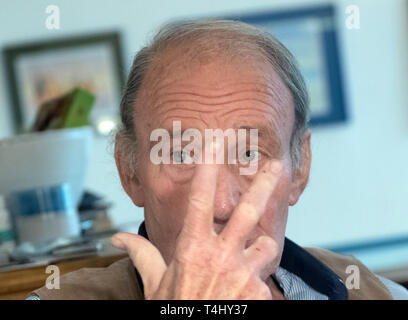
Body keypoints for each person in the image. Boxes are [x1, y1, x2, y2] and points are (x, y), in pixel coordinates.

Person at [29, 20, 408, 300]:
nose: (222, 206)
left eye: (248, 154)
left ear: (300, 168)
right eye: (180, 154)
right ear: (130, 173)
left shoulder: (370, 288)